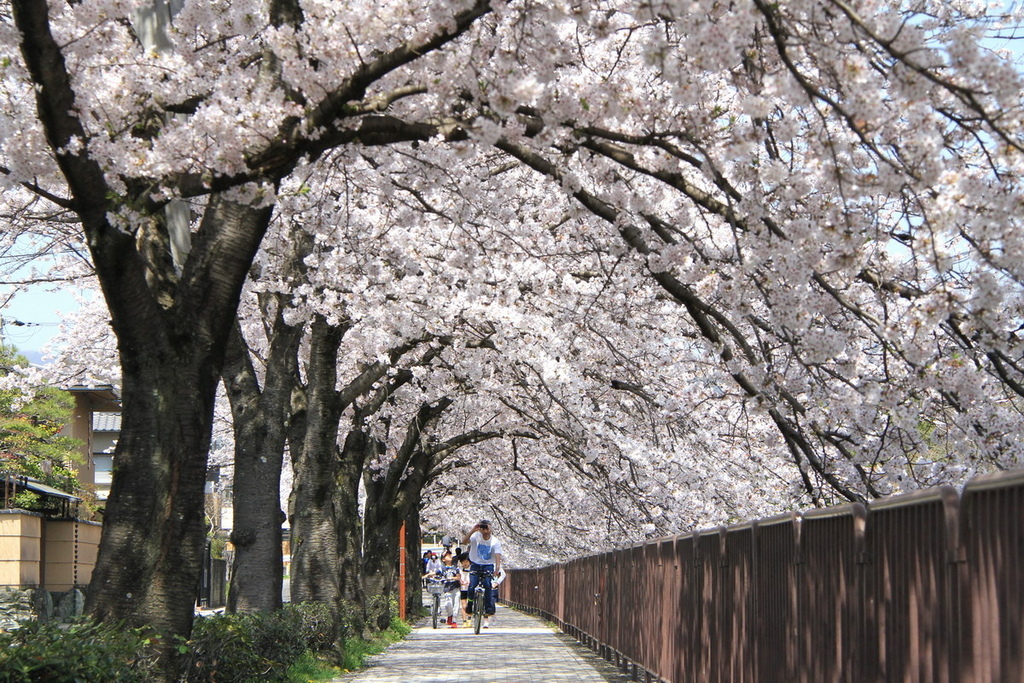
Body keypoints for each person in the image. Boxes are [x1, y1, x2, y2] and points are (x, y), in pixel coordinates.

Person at [461, 519, 502, 628]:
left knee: (488, 585)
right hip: (475, 564)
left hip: (488, 565)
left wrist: (497, 569)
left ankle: (488, 608)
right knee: (472, 586)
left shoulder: (495, 541)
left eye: (486, 528)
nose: (484, 530)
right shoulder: (475, 537)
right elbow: (464, 542)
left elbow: (498, 556)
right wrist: (473, 530)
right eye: (482, 528)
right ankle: (470, 605)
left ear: (490, 529)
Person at [438, 551, 461, 627]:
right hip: (447, 588)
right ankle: (450, 615)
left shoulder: (455, 567)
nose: (449, 556)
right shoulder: (442, 568)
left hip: (456, 587)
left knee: (456, 604)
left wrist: (452, 578)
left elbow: (458, 577)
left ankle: (454, 620)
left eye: (450, 555)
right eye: (447, 556)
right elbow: (436, 573)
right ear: (443, 559)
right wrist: (427, 575)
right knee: (448, 604)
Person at [458, 553, 472, 627]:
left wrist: (470, 582)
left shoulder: (472, 569)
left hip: (470, 589)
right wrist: (461, 581)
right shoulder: (460, 570)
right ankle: (464, 621)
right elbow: (458, 577)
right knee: (463, 605)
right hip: (463, 589)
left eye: (466, 562)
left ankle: (469, 619)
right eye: (463, 562)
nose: (465, 563)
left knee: (470, 605)